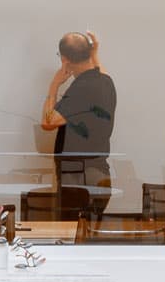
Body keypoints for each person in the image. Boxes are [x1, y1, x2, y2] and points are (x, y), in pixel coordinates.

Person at [39, 31, 117, 217]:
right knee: (87, 236)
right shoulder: (106, 82)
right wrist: (95, 53)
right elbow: (101, 71)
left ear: (64, 59)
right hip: (99, 172)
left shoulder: (82, 88)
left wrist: (54, 85)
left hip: (80, 177)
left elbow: (47, 122)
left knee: (72, 235)